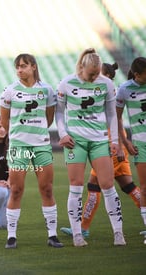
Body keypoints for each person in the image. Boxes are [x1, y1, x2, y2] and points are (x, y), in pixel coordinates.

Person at [60, 62, 141, 238]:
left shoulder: (106, 91)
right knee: (127, 185)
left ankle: (84, 228)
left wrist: (120, 145)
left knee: (100, 186)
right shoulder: (95, 90)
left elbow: (116, 120)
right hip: (107, 142)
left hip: (108, 143)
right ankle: (84, 227)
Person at [56, 48, 126, 247]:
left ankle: (118, 233)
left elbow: (112, 114)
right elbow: (59, 114)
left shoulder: (106, 83)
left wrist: (114, 142)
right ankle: (77, 234)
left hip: (99, 140)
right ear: (81, 67)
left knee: (108, 185)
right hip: (75, 141)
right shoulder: (66, 83)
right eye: (91, 73)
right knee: (76, 186)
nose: (95, 76)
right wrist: (63, 134)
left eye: (97, 73)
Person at [0, 53, 63, 249]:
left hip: (41, 145)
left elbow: (49, 118)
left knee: (47, 189)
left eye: (23, 66)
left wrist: (36, 132)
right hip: (18, 145)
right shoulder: (9, 91)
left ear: (33, 67)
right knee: (16, 190)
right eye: (17, 67)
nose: (19, 70)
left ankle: (52, 235)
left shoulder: (47, 90)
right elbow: (4, 121)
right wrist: (20, 135)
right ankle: (11, 237)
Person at [116, 57, 146, 244]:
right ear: (137, 75)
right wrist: (125, 142)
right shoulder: (124, 89)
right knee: (144, 188)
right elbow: (116, 118)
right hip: (140, 144)